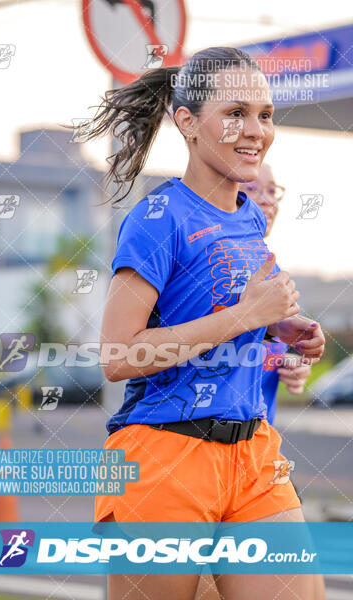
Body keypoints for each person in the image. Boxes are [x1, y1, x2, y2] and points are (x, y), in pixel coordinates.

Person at [85, 47, 325, 599]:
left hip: (255, 453)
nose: (256, 130)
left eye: (265, 115)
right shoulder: (155, 218)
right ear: (187, 123)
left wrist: (281, 331)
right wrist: (246, 316)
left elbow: (255, 314)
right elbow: (119, 356)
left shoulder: (246, 216)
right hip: (164, 456)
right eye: (235, 112)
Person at [240, 164, 312, 425]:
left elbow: (265, 347)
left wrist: (292, 364)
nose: (267, 200)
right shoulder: (210, 265)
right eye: (251, 189)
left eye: (272, 190)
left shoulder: (274, 271)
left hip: (259, 447)